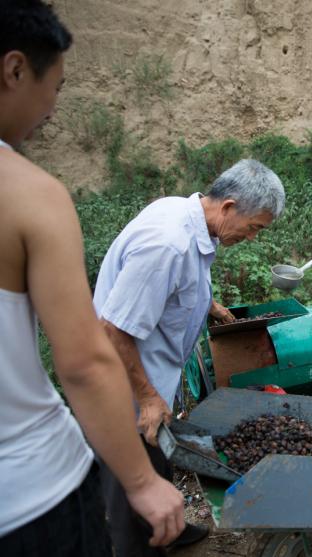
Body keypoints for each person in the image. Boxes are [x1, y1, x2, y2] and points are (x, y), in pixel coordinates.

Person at [0, 1, 184, 555]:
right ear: (14, 71)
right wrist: (142, 481)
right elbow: (82, 361)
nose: (53, 108)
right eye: (54, 86)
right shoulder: (30, 195)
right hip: (31, 496)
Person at [93, 159, 285, 556]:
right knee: (131, 487)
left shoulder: (189, 215)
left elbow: (173, 281)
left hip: (150, 376)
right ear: (229, 206)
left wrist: (207, 302)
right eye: (254, 228)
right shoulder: (168, 242)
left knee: (159, 453)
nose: (251, 237)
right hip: (122, 388)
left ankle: (170, 529)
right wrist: (147, 397)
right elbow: (114, 328)